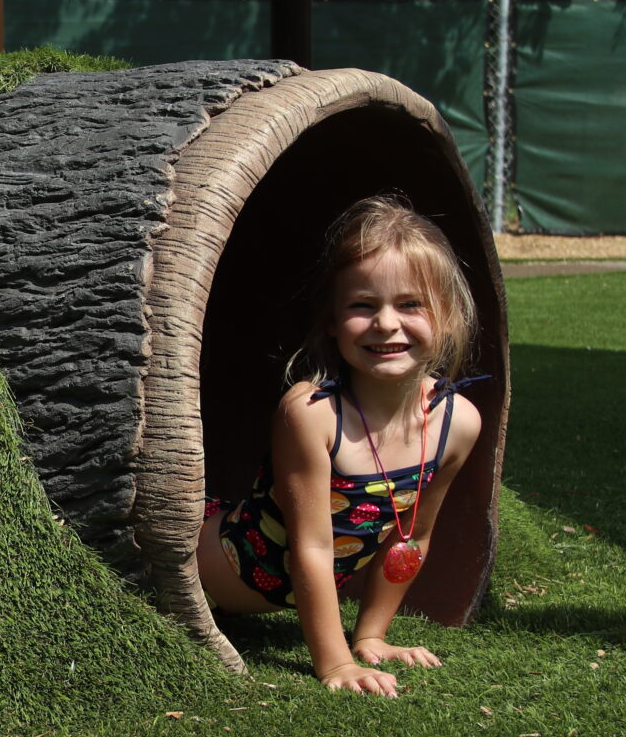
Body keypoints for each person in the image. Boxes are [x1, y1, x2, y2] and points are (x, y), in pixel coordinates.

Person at [197, 194, 483, 697]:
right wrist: (335, 664)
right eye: (362, 305)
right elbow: (311, 546)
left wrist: (371, 636)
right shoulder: (314, 413)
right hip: (206, 564)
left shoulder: (458, 423)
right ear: (331, 319)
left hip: (270, 589)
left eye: (411, 304)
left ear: (449, 317)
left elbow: (410, 538)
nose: (387, 323)